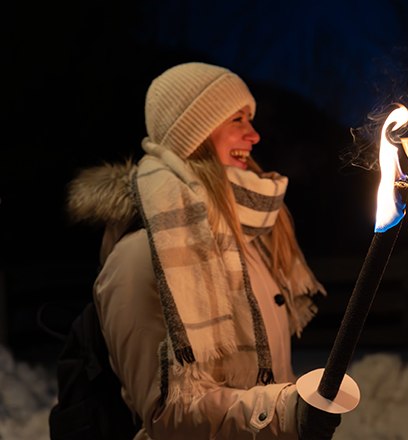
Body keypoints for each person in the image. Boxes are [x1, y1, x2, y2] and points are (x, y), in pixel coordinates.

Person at [66, 62, 341, 439]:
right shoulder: (140, 258)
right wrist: (284, 411)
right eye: (237, 120)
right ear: (194, 132)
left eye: (251, 119)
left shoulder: (248, 239)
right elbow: (168, 418)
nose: (255, 135)